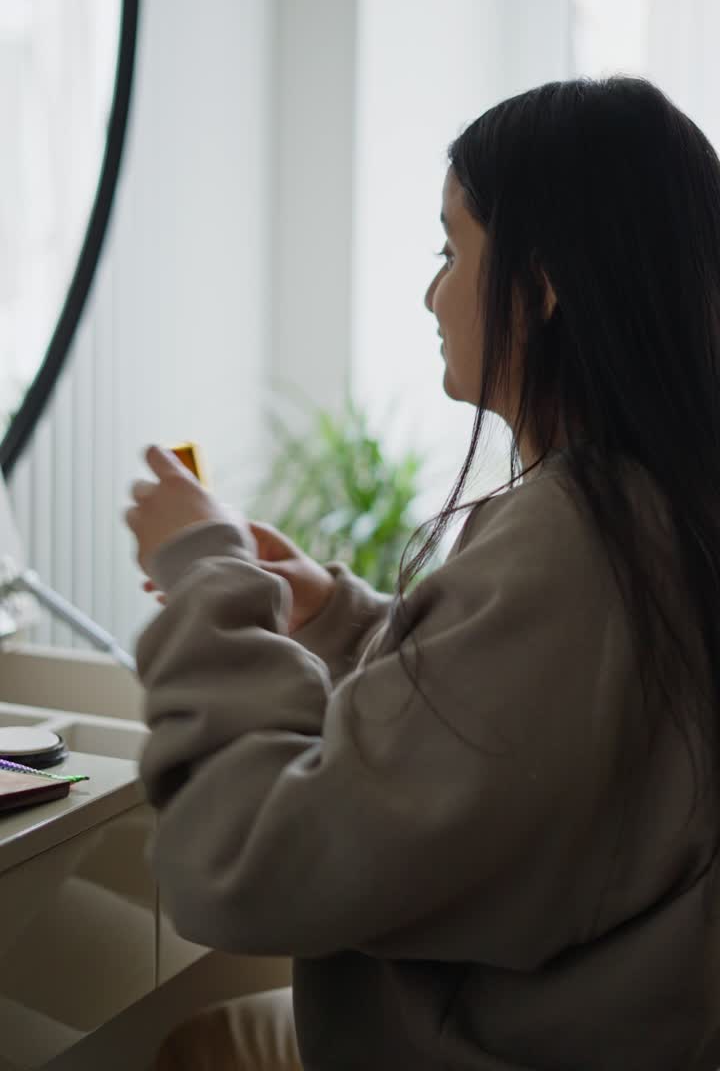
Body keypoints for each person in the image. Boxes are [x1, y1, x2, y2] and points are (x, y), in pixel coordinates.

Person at [125, 75, 720, 1070]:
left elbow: (247, 865)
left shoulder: (579, 546)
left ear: (541, 282)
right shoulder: (668, 508)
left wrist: (203, 575)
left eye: (452, 248)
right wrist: (342, 617)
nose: (433, 290)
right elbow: (531, 727)